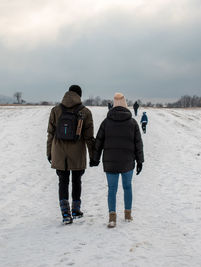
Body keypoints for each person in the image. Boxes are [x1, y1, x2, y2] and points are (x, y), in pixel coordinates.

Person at [91, 93, 144, 228]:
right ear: (126, 104)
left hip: (110, 162)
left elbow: (98, 142)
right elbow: (138, 143)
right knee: (127, 187)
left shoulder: (106, 122)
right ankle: (127, 215)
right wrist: (140, 161)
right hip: (127, 162)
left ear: (113, 104)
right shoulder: (132, 123)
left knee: (112, 189)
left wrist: (95, 158)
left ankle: (112, 218)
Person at [46, 85, 95, 224]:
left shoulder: (55, 110)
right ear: (79, 95)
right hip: (77, 152)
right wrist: (93, 155)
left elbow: (50, 133)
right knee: (76, 180)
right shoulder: (85, 112)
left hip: (59, 152)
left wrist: (49, 152)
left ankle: (65, 213)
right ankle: (75, 210)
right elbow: (89, 137)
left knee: (63, 181)